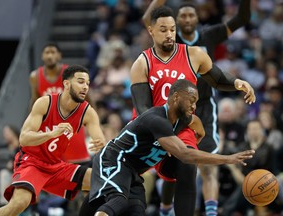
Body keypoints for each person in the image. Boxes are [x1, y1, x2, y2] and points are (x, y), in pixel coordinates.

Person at [131, 5, 255, 216]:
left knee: (188, 166)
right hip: (152, 127)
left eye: (172, 29)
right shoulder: (141, 63)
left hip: (184, 124)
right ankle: (160, 208)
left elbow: (216, 78)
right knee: (129, 175)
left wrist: (237, 83)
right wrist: (163, 136)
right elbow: (143, 107)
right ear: (151, 30)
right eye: (163, 30)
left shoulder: (194, 54)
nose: (169, 34)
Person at [78, 79, 255, 216]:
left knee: (137, 208)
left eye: (196, 102)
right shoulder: (156, 119)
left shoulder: (187, 120)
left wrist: (185, 143)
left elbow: (199, 131)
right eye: (191, 101)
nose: (194, 106)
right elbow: (185, 155)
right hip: (113, 160)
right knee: (118, 201)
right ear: (176, 97)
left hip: (133, 170)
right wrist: (228, 159)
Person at [0, 65, 106, 216]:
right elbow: (24, 139)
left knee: (103, 180)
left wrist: (101, 143)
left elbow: (99, 139)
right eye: (80, 81)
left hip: (55, 166)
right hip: (32, 162)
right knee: (18, 204)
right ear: (66, 84)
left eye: (87, 83)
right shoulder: (45, 103)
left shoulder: (88, 112)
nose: (85, 87)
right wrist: (51, 134)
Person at [29, 43, 91, 165]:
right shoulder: (35, 76)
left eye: (53, 52)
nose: (50, 56)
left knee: (77, 165)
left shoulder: (70, 74)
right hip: (49, 126)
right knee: (51, 165)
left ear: (59, 55)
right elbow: (35, 100)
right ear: (42, 56)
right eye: (47, 53)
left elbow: (86, 96)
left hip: (71, 123)